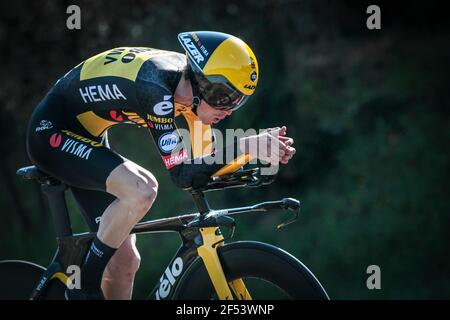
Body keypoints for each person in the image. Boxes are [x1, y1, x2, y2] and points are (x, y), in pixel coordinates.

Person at [26, 31, 296, 300]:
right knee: (142, 189)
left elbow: (202, 170)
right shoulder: (155, 88)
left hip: (87, 136)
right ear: (203, 83)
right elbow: (182, 175)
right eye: (225, 97)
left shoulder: (192, 93)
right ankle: (85, 287)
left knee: (125, 263)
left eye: (238, 101)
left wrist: (255, 155)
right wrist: (246, 145)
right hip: (51, 132)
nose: (228, 110)